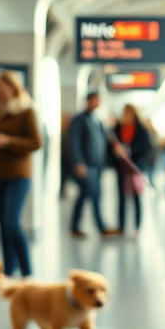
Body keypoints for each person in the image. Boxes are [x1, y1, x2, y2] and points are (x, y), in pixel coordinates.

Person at [0, 71, 42, 276]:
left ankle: (27, 269)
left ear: (11, 88)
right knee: (2, 224)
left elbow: (36, 142)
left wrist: (9, 141)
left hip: (18, 176)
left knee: (12, 222)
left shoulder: (26, 111)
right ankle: (9, 268)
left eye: (0, 88)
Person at [68, 91, 119, 239]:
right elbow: (74, 142)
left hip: (98, 166)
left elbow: (106, 139)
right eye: (95, 100)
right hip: (86, 166)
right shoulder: (79, 119)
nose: (98, 103)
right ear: (89, 101)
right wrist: (79, 162)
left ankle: (75, 226)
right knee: (94, 194)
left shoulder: (97, 120)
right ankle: (101, 227)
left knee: (85, 194)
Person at [113, 103, 152, 238]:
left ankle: (137, 228)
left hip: (135, 168)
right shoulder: (118, 128)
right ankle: (121, 226)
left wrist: (129, 150)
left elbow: (147, 148)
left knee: (136, 198)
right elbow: (112, 146)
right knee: (121, 198)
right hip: (122, 168)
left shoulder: (141, 130)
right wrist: (116, 152)